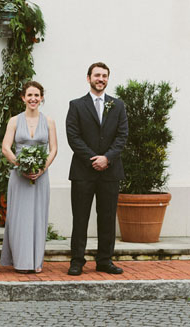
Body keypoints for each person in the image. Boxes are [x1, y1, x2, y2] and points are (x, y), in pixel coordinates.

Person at [66, 62, 128, 276]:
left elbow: (122, 136)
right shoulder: (76, 105)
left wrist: (107, 158)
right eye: (97, 75)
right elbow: (73, 136)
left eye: (104, 76)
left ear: (107, 79)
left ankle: (104, 260)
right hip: (83, 171)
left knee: (108, 218)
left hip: (110, 171)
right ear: (88, 78)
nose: (101, 79)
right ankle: (77, 261)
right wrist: (93, 159)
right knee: (80, 218)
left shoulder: (117, 105)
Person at [0, 81, 58, 273]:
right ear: (23, 98)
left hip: (41, 177)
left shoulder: (49, 121)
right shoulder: (14, 121)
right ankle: (20, 261)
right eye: (29, 95)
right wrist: (20, 165)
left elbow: (53, 149)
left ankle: (35, 262)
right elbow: (6, 147)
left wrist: (42, 168)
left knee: (38, 217)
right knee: (19, 218)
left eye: (36, 95)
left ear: (41, 98)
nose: (33, 99)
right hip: (19, 176)